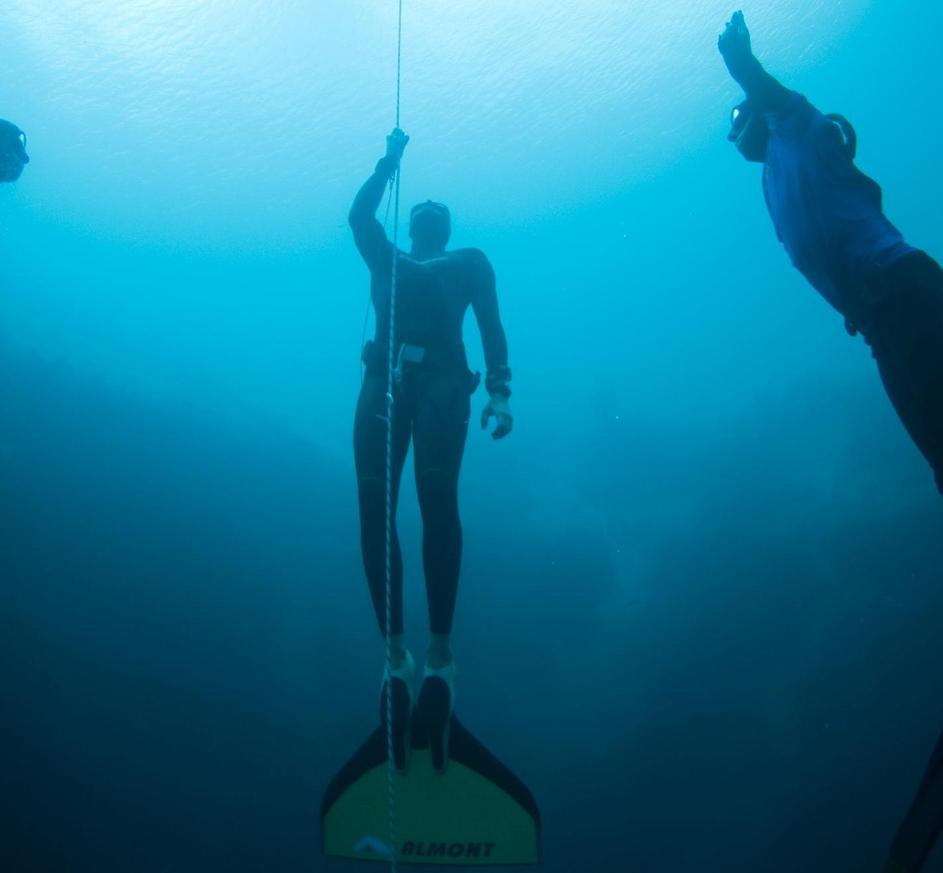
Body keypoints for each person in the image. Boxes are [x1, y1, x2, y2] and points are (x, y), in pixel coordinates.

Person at [718, 12, 943, 870]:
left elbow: (778, 98)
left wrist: (741, 64)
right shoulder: (771, 180)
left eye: (738, 119)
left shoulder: (802, 131)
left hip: (908, 294)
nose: (734, 130)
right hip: (878, 328)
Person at [348, 127, 513, 770]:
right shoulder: (390, 256)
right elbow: (359, 217)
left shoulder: (466, 261)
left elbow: (492, 325)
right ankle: (403, 659)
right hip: (393, 380)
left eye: (434, 212)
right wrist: (388, 161)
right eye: (423, 209)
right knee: (380, 509)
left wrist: (500, 390)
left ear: (441, 230)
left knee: (432, 503)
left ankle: (434, 658)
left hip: (435, 384)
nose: (429, 211)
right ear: (418, 226)